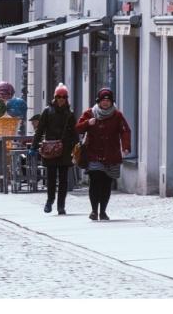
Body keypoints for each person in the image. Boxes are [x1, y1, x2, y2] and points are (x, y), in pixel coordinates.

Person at [75, 88, 131, 221]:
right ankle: (94, 210)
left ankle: (103, 211)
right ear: (98, 101)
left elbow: (125, 131)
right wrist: (87, 123)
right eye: (103, 100)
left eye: (108, 100)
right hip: (93, 154)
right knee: (95, 181)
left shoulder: (117, 115)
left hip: (111, 154)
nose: (105, 103)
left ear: (112, 102)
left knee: (106, 184)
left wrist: (126, 146)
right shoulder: (90, 113)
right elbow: (77, 128)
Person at [30, 84, 78, 215]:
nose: (61, 99)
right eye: (59, 96)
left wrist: (77, 147)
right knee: (51, 178)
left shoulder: (70, 113)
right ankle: (50, 200)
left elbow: (74, 132)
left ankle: (61, 206)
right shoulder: (48, 111)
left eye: (64, 96)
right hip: (50, 149)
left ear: (66, 98)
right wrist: (34, 146)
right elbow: (40, 130)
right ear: (55, 97)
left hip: (65, 149)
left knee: (63, 180)